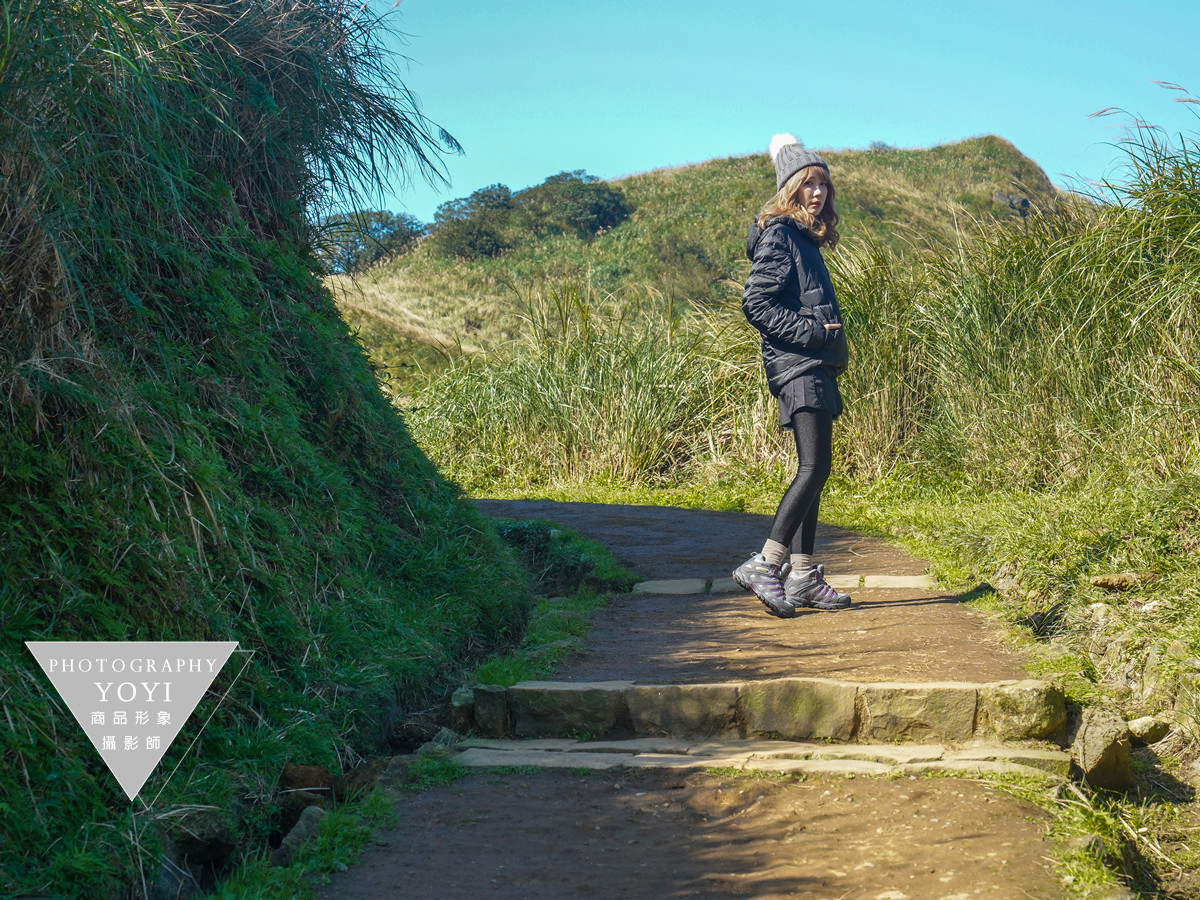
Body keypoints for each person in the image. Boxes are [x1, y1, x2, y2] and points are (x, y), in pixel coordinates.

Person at [731, 134, 852, 618]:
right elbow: (755, 302)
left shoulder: (801, 237)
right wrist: (810, 333)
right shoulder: (781, 234)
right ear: (791, 189)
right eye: (809, 184)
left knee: (815, 471)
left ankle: (801, 577)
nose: (819, 193)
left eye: (824, 184)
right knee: (813, 468)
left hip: (812, 364)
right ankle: (767, 562)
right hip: (800, 364)